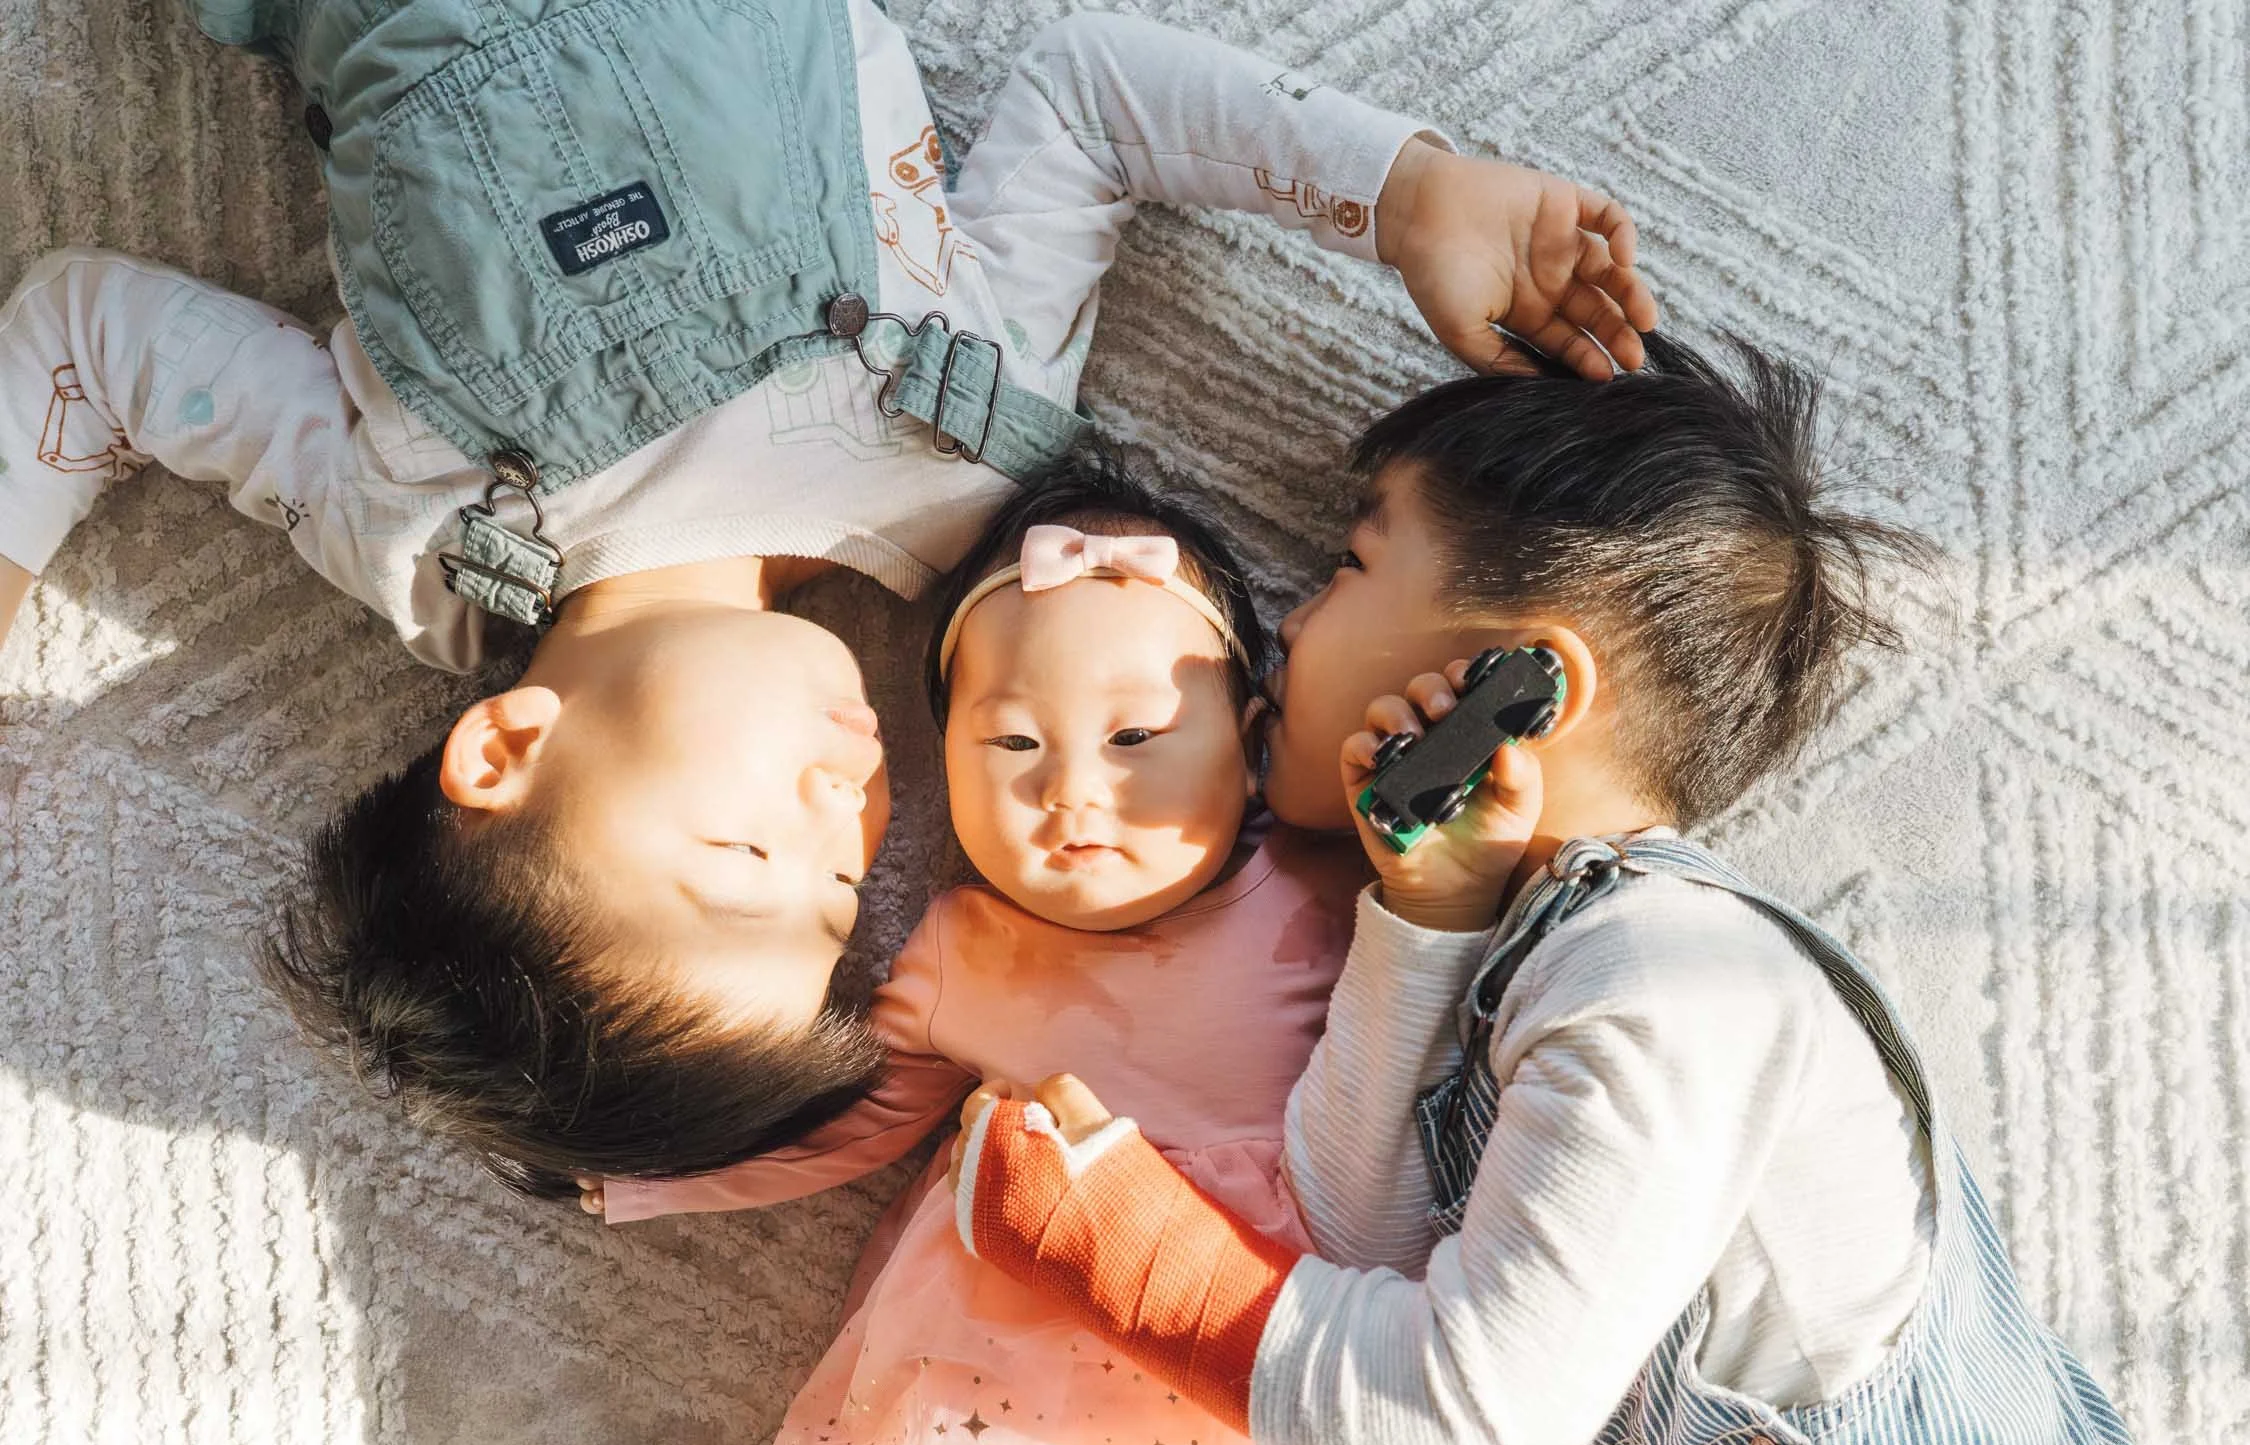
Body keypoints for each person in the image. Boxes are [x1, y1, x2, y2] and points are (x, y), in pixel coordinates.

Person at [0, 2, 1658, 1197]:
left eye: (742, 860)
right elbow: (1084, 94)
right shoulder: (971, 450)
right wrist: (1407, 194)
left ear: (503, 751)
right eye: (837, 899)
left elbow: (74, 341)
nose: (845, 815)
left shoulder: (414, 539)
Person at [949, 336, 2157, 1445]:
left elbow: (1455, 1423)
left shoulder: (1674, 976)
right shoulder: (1526, 956)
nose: (1294, 624)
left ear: (1515, 687)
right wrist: (1423, 922)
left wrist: (1117, 1241)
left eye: (1351, 567)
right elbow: (1362, 1240)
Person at [583, 454, 1370, 1445]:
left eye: (1137, 735)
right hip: (1022, 1352)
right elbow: (856, 1119)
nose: (1072, 788)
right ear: (940, 761)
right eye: (1010, 739)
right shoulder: (963, 950)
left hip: (1271, 1322)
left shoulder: (1326, 876)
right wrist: (667, 1176)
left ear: (1252, 742)